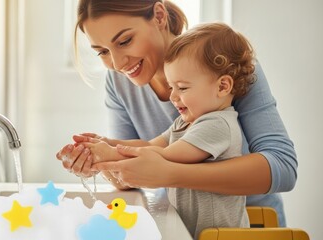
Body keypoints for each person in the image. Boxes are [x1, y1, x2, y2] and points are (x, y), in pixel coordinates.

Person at [56, 0, 297, 228]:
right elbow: (131, 178)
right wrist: (102, 157)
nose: (118, 64)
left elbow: (283, 167)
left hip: (248, 226)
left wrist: (171, 174)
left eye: (125, 41)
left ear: (159, 16)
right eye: (102, 52)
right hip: (181, 225)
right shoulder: (119, 83)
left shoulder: (224, 65)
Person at [75, 22, 255, 239]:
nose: (173, 97)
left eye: (183, 87)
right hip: (188, 231)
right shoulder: (186, 122)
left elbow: (168, 157)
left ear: (222, 86)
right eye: (172, 87)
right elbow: (151, 146)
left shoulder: (218, 125)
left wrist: (109, 154)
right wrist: (105, 143)